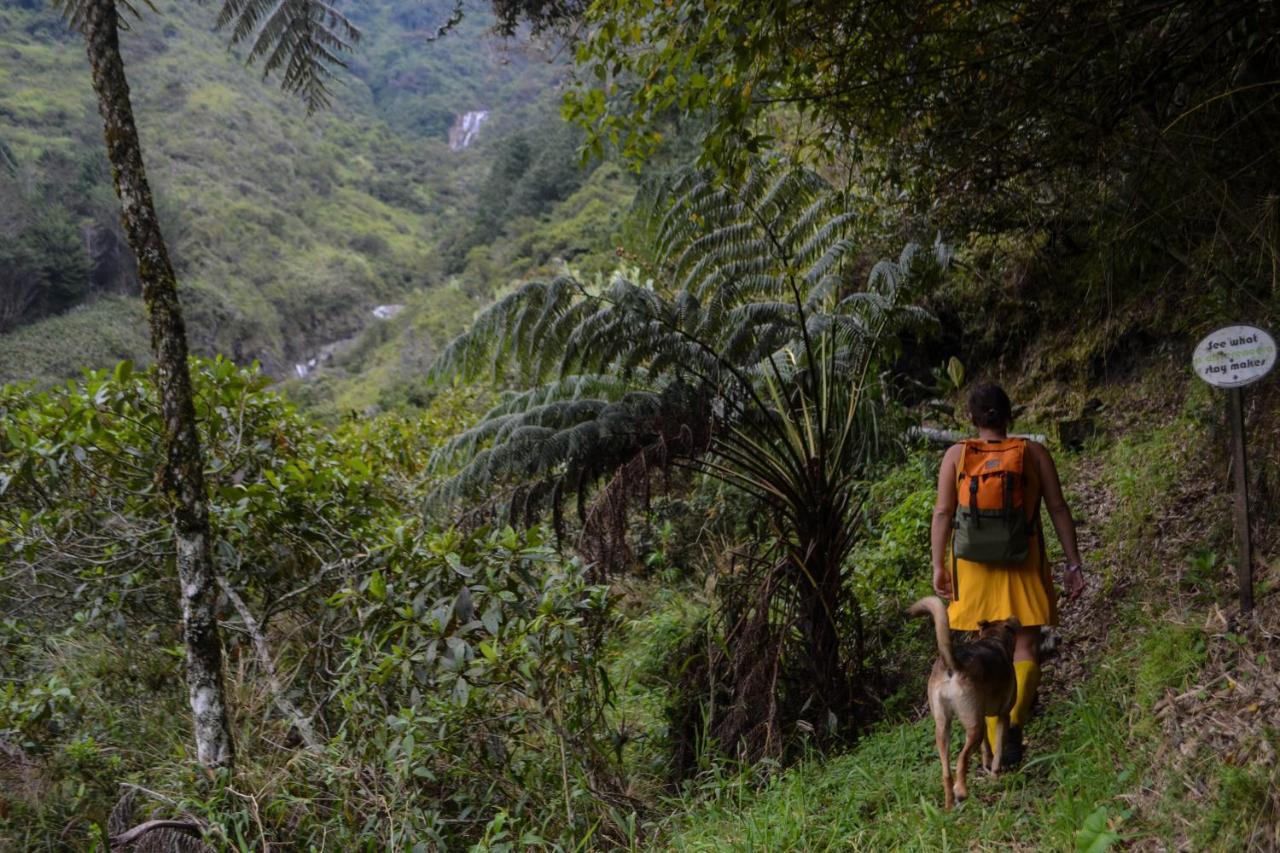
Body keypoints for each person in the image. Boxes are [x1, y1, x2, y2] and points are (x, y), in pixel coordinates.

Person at [930, 382, 1085, 765]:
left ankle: (996, 742)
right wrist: (1073, 563)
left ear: (972, 418)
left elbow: (943, 514)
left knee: (989, 645)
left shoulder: (956, 455)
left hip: (973, 565)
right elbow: (1058, 508)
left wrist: (938, 565)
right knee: (1026, 645)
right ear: (1009, 414)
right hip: (1024, 557)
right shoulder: (1033, 453)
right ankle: (1013, 722)